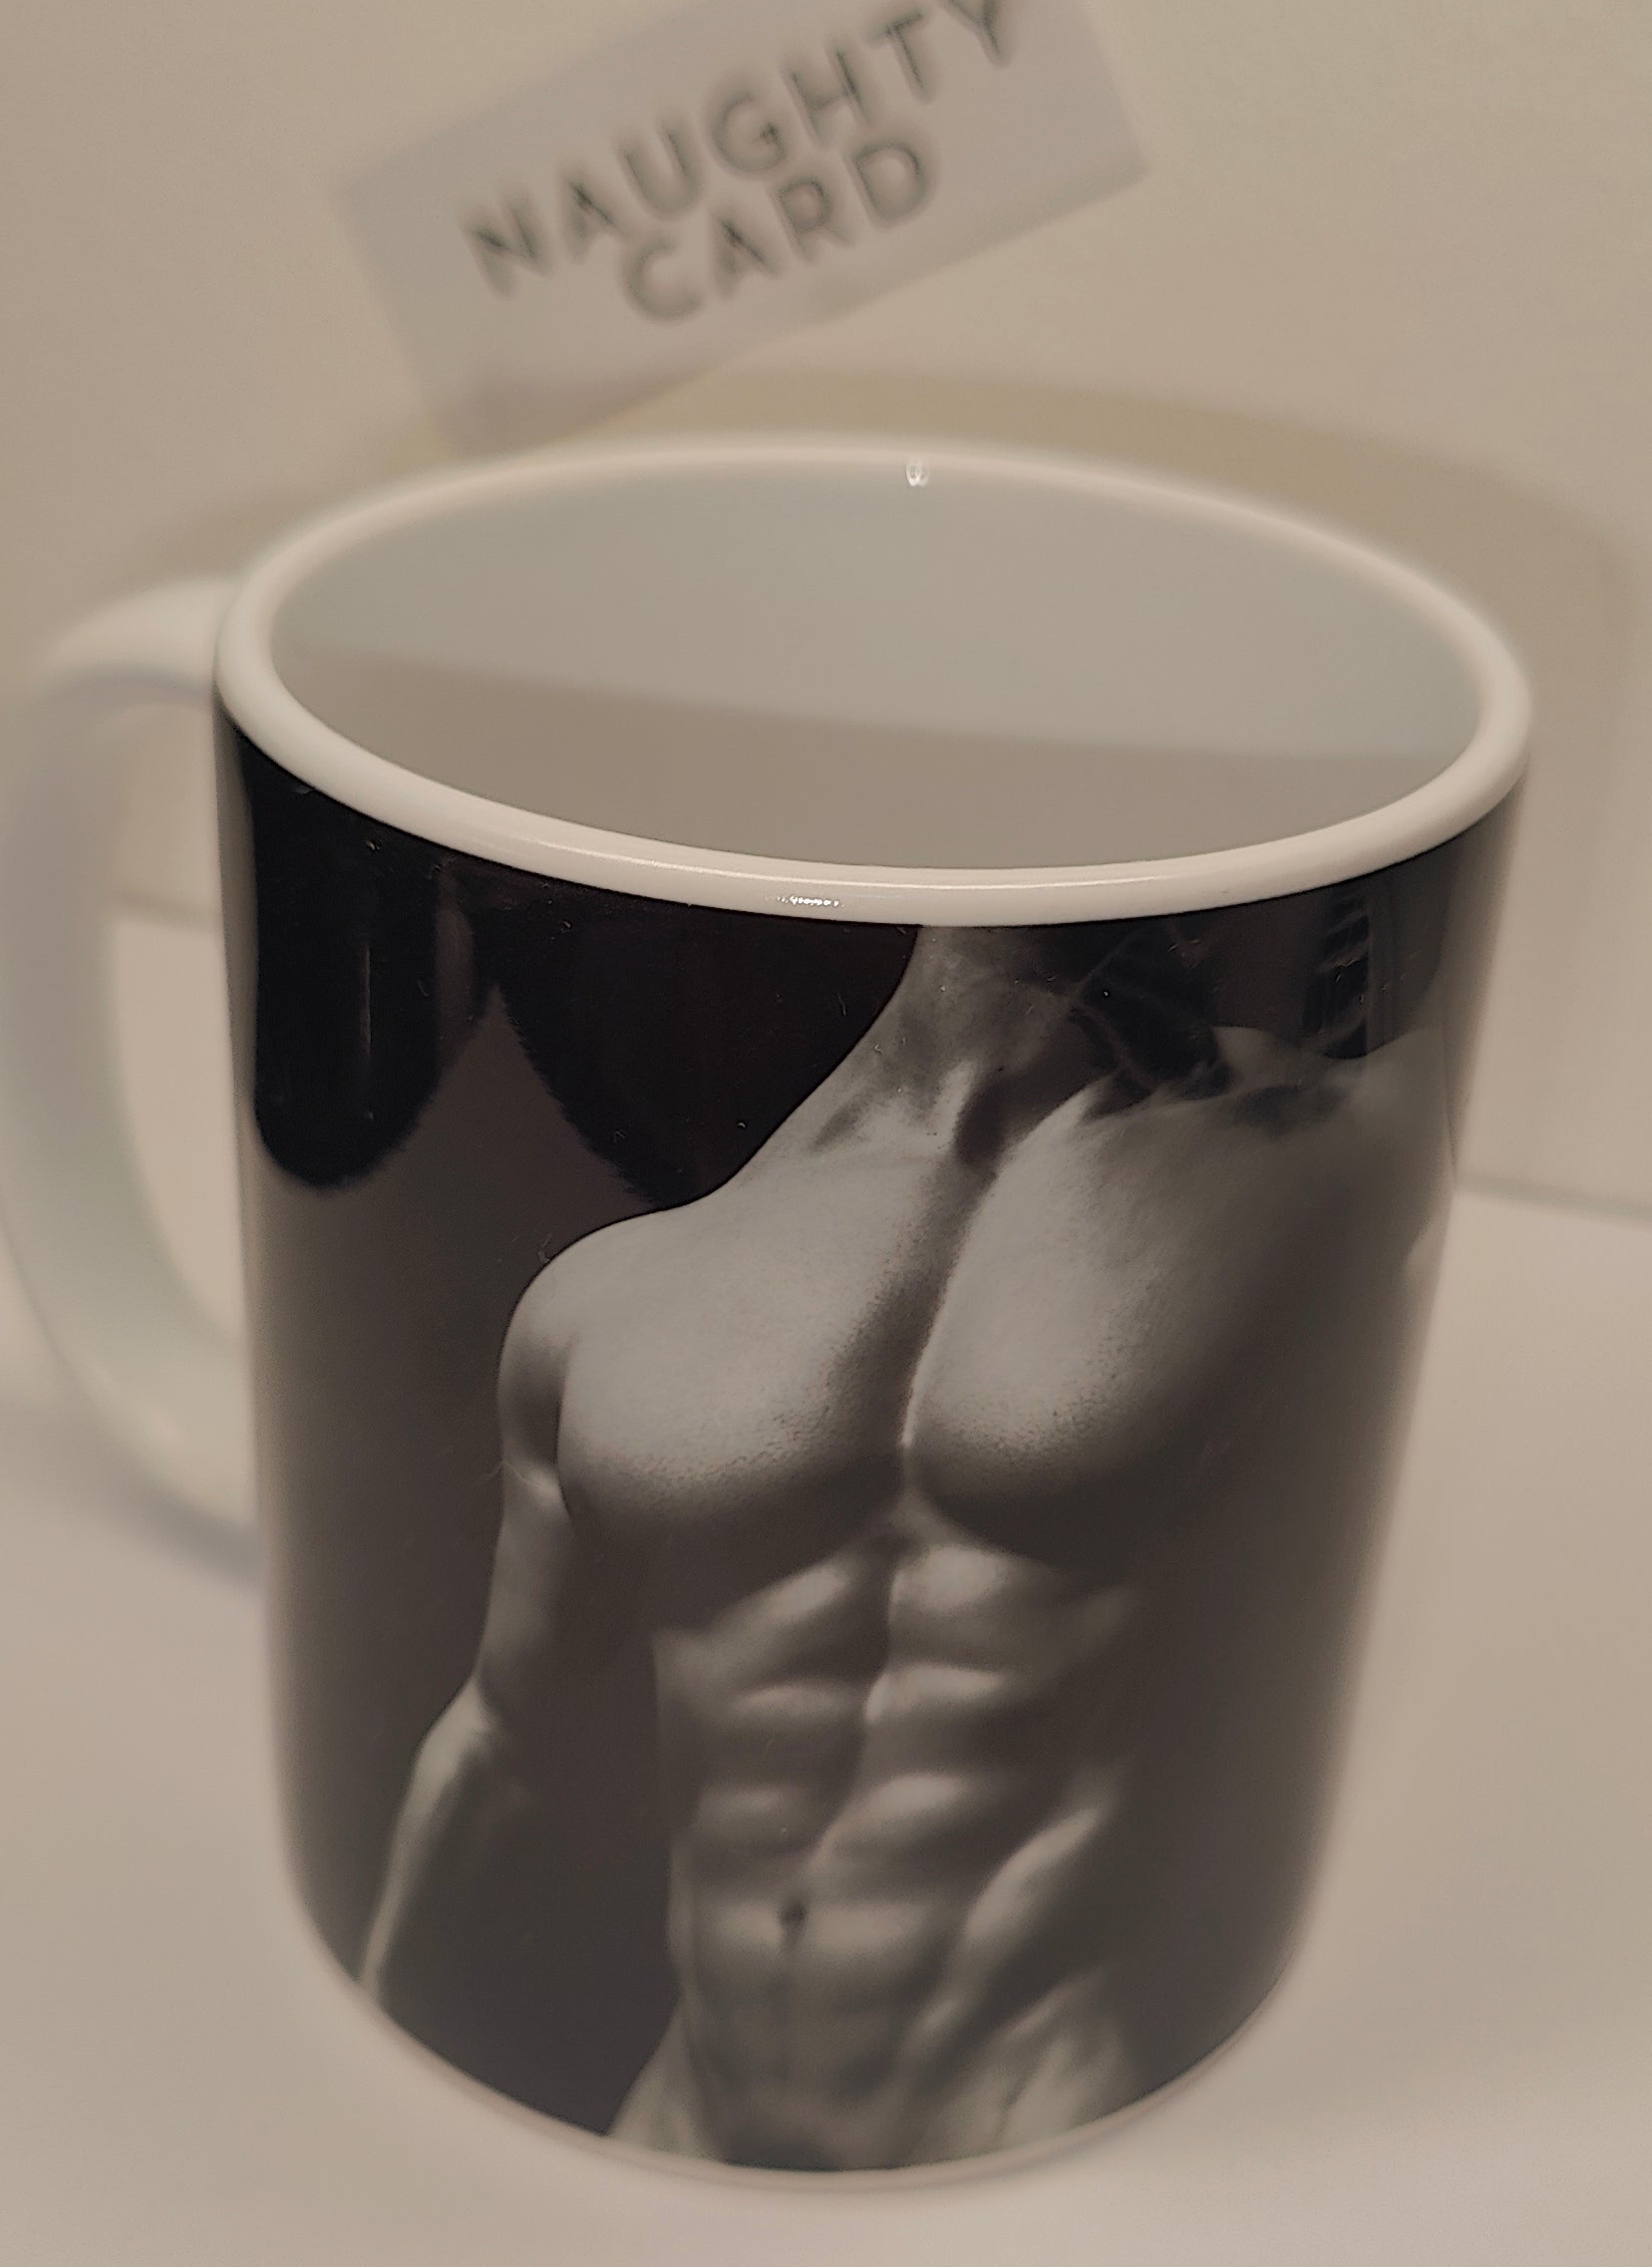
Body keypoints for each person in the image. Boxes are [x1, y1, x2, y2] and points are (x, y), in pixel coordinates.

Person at [360, 919, 1443, 2167]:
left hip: (1032, 2135)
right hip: (686, 2124)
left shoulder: (1334, 1153)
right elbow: (506, 1747)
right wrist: (358, 2051)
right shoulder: (615, 1298)